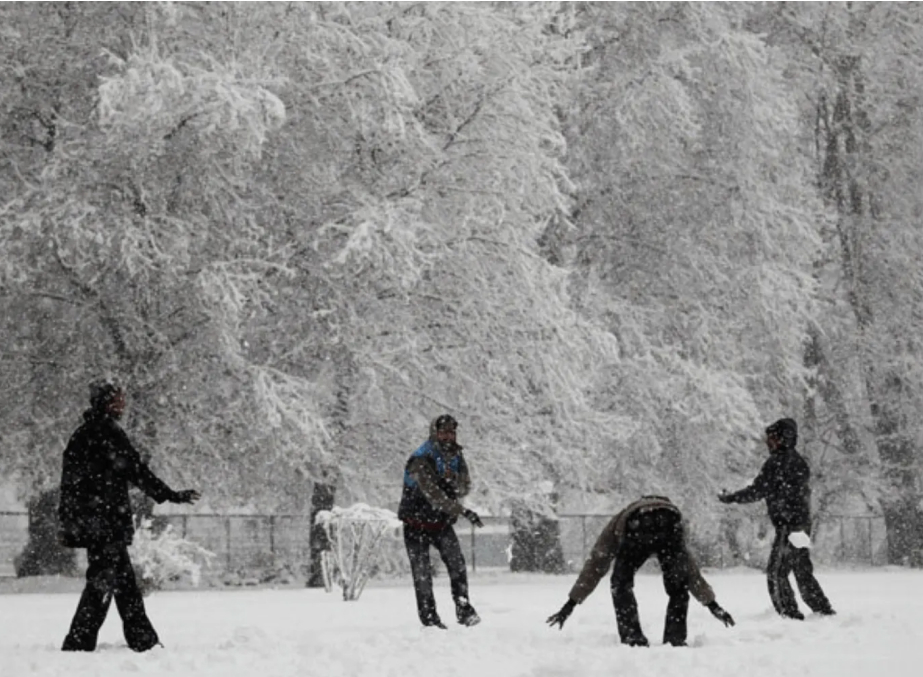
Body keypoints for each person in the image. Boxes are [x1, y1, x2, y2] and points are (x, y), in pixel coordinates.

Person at [57, 379, 201, 652]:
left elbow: (73, 484)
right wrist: (170, 494)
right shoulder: (107, 433)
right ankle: (79, 642)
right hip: (105, 523)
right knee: (103, 583)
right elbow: (134, 469)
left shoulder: (83, 434)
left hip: (95, 522)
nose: (123, 404)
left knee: (123, 584)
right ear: (107, 402)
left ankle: (141, 640)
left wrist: (76, 520)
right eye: (119, 399)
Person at [546, 495, 735, 647]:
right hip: (669, 527)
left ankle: (632, 637)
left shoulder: (621, 519)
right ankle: (675, 638)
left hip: (635, 529)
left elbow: (597, 563)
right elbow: (691, 572)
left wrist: (570, 604)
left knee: (620, 584)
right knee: (679, 585)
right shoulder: (671, 521)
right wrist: (713, 605)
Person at [718, 417, 835, 620]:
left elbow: (758, 490)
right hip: (802, 525)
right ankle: (822, 609)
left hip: (788, 527)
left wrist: (732, 498)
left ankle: (788, 613)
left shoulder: (777, 462)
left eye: (771, 438)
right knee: (801, 570)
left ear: (783, 438)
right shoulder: (798, 461)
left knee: (776, 572)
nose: (768, 442)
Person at [398, 414, 484, 629]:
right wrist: (463, 510)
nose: (448, 436)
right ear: (434, 433)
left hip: (440, 523)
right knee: (422, 573)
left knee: (457, 565)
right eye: (443, 431)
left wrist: (450, 480)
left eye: (452, 432)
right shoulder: (420, 458)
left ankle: (463, 608)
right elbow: (434, 495)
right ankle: (430, 619)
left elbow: (464, 486)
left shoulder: (456, 455)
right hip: (415, 523)